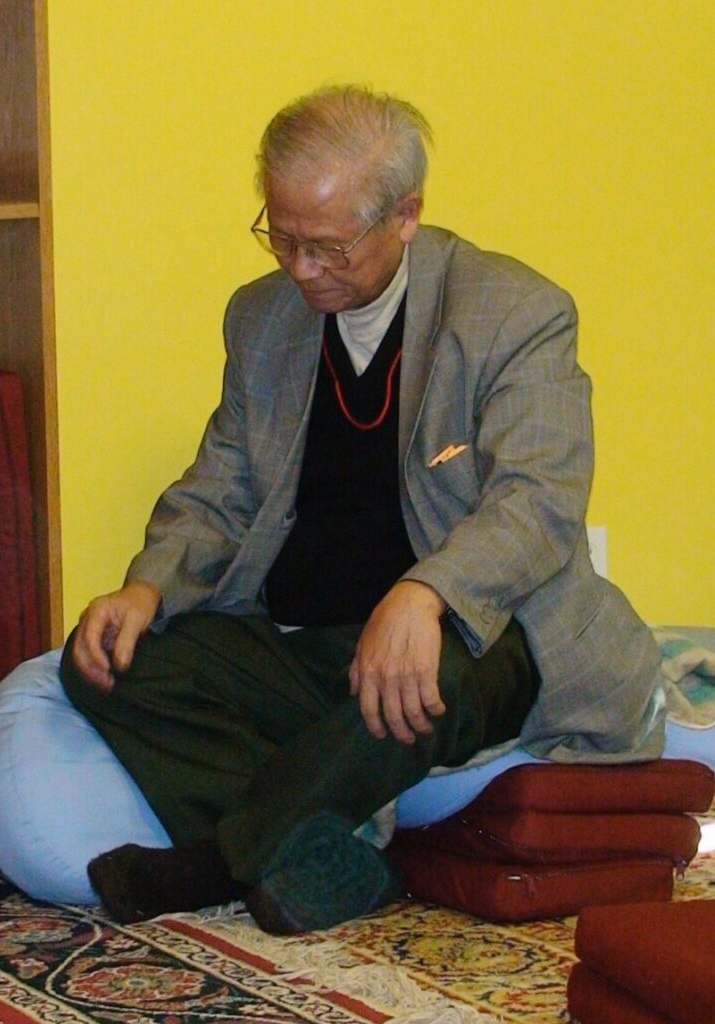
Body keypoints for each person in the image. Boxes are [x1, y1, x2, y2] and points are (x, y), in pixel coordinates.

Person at [60, 84, 664, 934]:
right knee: (107, 663)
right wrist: (145, 588)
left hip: (483, 637)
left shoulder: (514, 313)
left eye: (328, 247)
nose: (301, 269)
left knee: (430, 674)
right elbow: (221, 486)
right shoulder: (261, 319)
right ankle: (328, 855)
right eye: (282, 237)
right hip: (313, 641)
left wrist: (424, 595)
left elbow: (537, 504)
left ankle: (216, 861)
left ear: (405, 215)